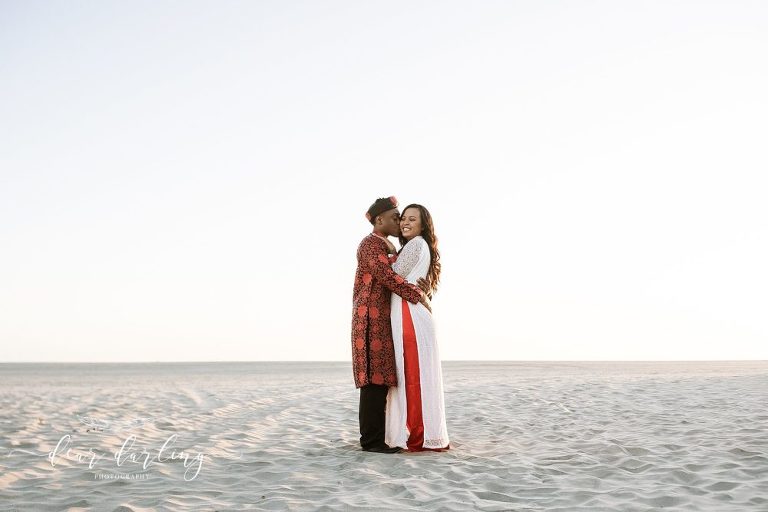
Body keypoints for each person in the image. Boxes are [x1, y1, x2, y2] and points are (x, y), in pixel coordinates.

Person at [351, 196, 431, 453]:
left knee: (383, 381)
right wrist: (418, 296)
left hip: (384, 319)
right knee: (373, 382)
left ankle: (381, 438)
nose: (399, 222)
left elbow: (403, 275)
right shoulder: (370, 245)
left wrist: (424, 289)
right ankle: (371, 442)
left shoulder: (388, 247)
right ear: (379, 220)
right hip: (369, 321)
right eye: (395, 218)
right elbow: (387, 277)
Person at [385, 203, 450, 452]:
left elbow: (392, 275)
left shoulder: (415, 244)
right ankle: (420, 433)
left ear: (423, 225)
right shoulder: (417, 246)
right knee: (415, 374)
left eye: (413, 219)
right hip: (412, 312)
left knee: (413, 375)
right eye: (403, 218)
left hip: (409, 315)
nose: (405, 223)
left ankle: (417, 436)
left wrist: (388, 250)